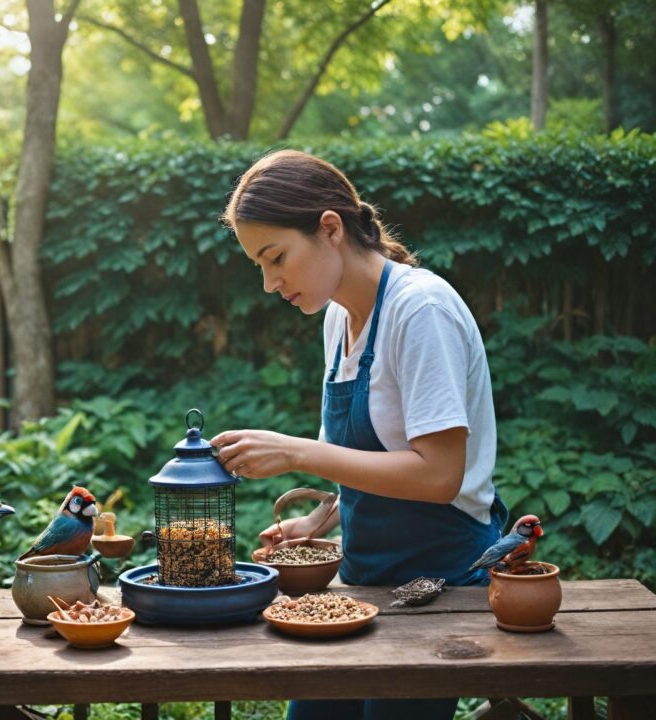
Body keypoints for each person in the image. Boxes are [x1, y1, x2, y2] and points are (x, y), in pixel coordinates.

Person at [210, 150, 507, 720]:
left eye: (276, 258)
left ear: (329, 228)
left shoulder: (420, 311)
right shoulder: (338, 318)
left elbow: (440, 475)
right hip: (363, 583)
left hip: (440, 583)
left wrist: (296, 451)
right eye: (259, 267)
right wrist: (321, 519)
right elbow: (367, 459)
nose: (271, 284)